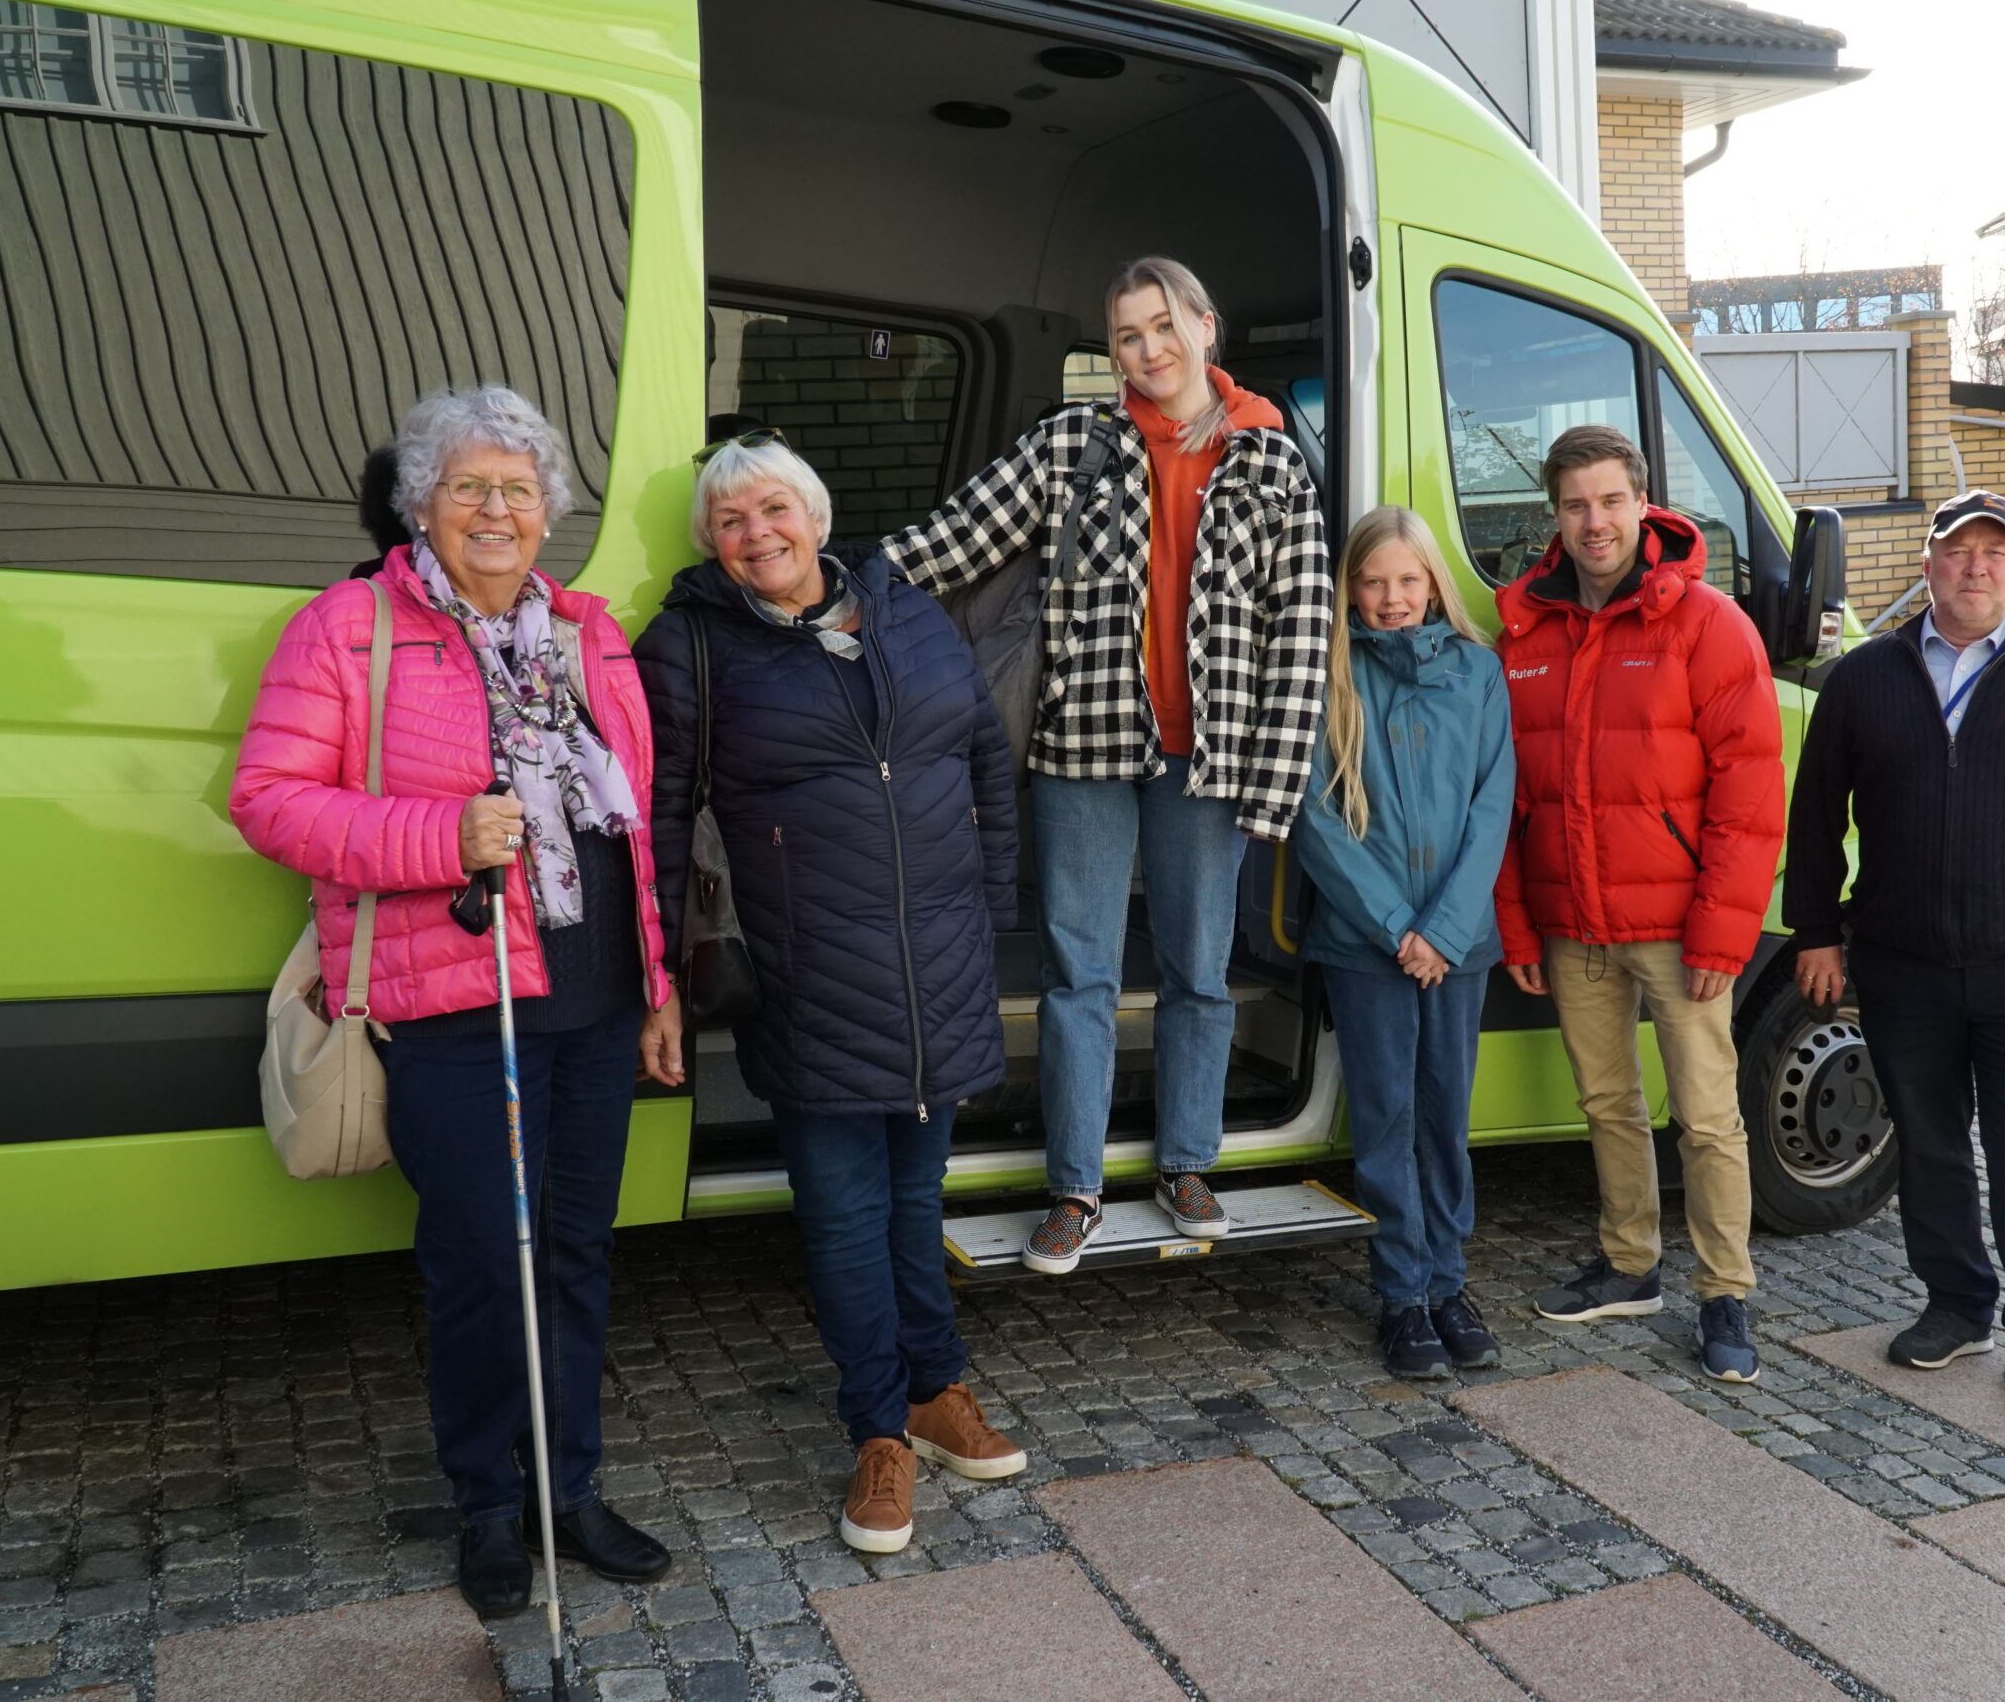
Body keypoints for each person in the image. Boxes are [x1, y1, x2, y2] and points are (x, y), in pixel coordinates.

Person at [231, 385, 684, 1614]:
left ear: (550, 512)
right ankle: (489, 1501)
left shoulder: (588, 636)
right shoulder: (350, 627)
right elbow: (268, 799)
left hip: (591, 1005)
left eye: (520, 489)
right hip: (451, 1007)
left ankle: (570, 1490)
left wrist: (654, 984)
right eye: (469, 488)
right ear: (419, 506)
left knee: (578, 1255)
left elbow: (631, 834)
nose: (497, 510)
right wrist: (443, 834)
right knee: (488, 1261)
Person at [884, 255, 1332, 1274]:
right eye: (1127, 335)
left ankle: (1186, 1165)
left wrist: (1272, 783)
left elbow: (1300, 630)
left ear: (1205, 328)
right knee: (1078, 972)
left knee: (1197, 972)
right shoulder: (1071, 444)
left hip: (1207, 760)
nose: (1146, 351)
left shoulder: (1270, 458)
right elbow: (954, 542)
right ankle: (1075, 1188)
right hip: (1083, 746)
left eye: (1162, 327)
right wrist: (832, 580)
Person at [636, 435, 1028, 1555]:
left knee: (916, 1199)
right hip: (806, 969)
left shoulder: (905, 612)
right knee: (846, 1210)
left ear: (815, 514)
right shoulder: (693, 645)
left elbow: (983, 763)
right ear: (711, 545)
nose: (756, 535)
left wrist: (990, 908)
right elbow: (660, 821)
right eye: (729, 522)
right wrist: (660, 972)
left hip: (937, 962)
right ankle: (877, 1430)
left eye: (772, 510)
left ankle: (935, 1389)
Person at [1786, 489, 2005, 1424]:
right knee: (1932, 1150)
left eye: (1995, 553)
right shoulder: (1866, 678)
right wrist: (1817, 928)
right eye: (1957, 551)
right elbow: (1816, 818)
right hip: (1903, 965)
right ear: (1928, 562)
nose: (1974, 567)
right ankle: (1956, 1303)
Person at [1496, 425, 1785, 1384]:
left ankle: (1724, 1290)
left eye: (1611, 501)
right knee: (1607, 1103)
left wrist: (1723, 926)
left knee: (1706, 1117)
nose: (1594, 522)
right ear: (1556, 514)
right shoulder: (1528, 632)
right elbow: (1503, 798)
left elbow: (1749, 792)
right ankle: (1629, 1264)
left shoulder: (1707, 625)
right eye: (1576, 505)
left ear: (1643, 504)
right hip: (1571, 921)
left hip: (1678, 928)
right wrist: (1518, 918)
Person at [1296, 506, 1513, 1379]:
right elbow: (1315, 821)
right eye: (1374, 582)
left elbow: (1492, 807)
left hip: (1456, 944)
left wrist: (1445, 932)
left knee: (1444, 1120)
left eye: (1408, 581)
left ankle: (1449, 1285)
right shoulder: (1326, 676)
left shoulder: (1478, 673)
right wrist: (1397, 929)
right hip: (1367, 945)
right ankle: (1401, 1296)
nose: (1391, 599)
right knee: (1385, 1120)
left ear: (1434, 585)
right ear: (1350, 587)